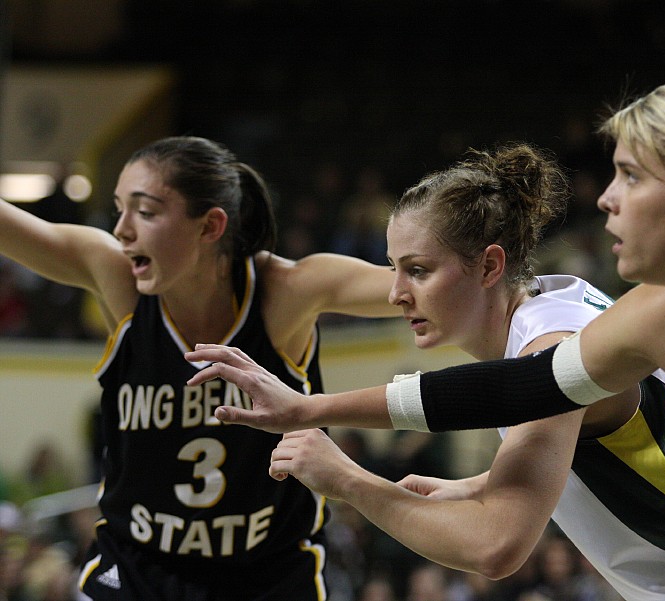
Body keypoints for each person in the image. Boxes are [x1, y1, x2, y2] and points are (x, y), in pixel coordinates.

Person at [187, 82, 665, 598]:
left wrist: (338, 463)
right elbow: (519, 390)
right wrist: (312, 411)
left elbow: (497, 543)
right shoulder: (653, 319)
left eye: (628, 175)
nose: (604, 198)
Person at [0, 136, 399, 600]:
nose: (123, 230)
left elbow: (418, 284)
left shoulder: (285, 292)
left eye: (145, 212)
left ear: (210, 226)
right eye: (119, 209)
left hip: (266, 574)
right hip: (137, 566)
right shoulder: (118, 278)